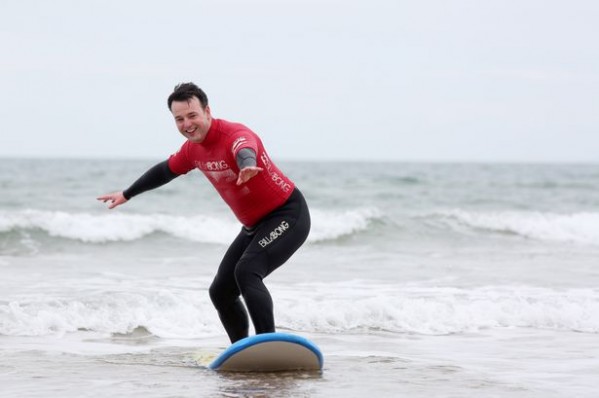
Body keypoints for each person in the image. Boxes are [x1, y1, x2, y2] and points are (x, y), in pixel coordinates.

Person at [98, 82, 311, 343]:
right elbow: (164, 171)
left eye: (192, 115)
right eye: (179, 119)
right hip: (254, 225)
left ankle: (268, 344)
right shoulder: (192, 150)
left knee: (247, 272)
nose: (187, 124)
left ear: (207, 111)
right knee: (221, 291)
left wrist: (247, 164)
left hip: (287, 214)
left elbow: (245, 149)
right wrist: (127, 194)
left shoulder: (234, 134)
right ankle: (242, 350)